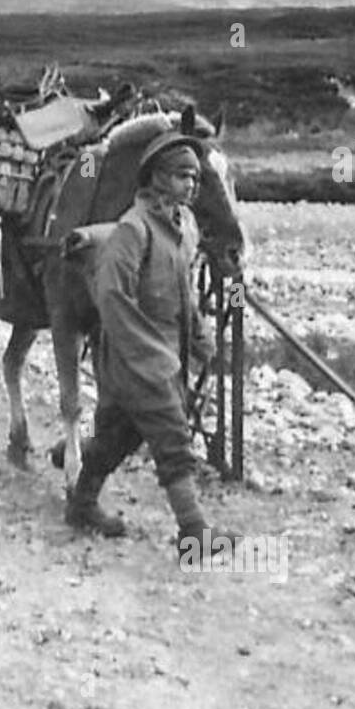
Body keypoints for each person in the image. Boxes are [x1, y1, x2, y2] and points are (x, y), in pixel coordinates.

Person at [67, 133, 243, 559]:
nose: (192, 186)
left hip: (162, 355)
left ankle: (81, 504)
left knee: (115, 436)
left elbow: (183, 292)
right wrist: (146, 353)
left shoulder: (182, 232)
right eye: (183, 176)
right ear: (157, 179)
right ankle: (194, 532)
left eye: (196, 178)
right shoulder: (133, 229)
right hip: (138, 358)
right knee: (172, 436)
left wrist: (200, 339)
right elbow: (111, 296)